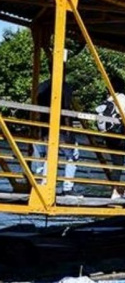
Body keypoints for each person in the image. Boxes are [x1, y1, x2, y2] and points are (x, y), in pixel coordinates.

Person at [33, 63, 79, 196]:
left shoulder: (42, 86)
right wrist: (68, 130)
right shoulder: (65, 87)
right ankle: (67, 188)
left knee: (49, 156)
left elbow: (38, 110)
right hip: (61, 128)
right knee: (72, 155)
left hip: (45, 127)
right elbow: (65, 108)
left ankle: (44, 185)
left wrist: (39, 130)